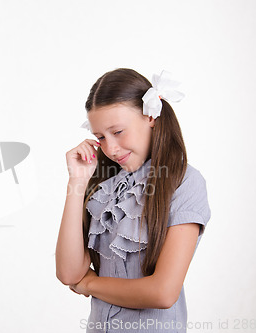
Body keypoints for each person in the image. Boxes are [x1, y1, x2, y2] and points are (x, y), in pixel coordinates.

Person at [56, 68, 210, 333]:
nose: (111, 148)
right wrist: (76, 184)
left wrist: (90, 284)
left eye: (118, 131)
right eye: (101, 137)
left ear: (150, 116)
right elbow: (69, 273)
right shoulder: (105, 188)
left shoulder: (184, 183)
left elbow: (162, 292)